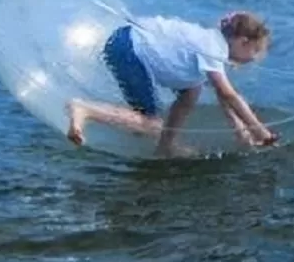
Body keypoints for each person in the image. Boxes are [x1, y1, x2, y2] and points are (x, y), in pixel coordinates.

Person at [66, 11, 278, 156]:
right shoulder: (213, 47)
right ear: (243, 41)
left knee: (190, 92)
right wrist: (261, 132)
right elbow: (229, 94)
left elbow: (224, 99)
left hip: (125, 41)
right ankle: (86, 109)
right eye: (256, 51)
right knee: (150, 123)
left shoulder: (211, 42)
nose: (254, 59)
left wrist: (242, 135)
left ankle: (165, 146)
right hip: (130, 49)